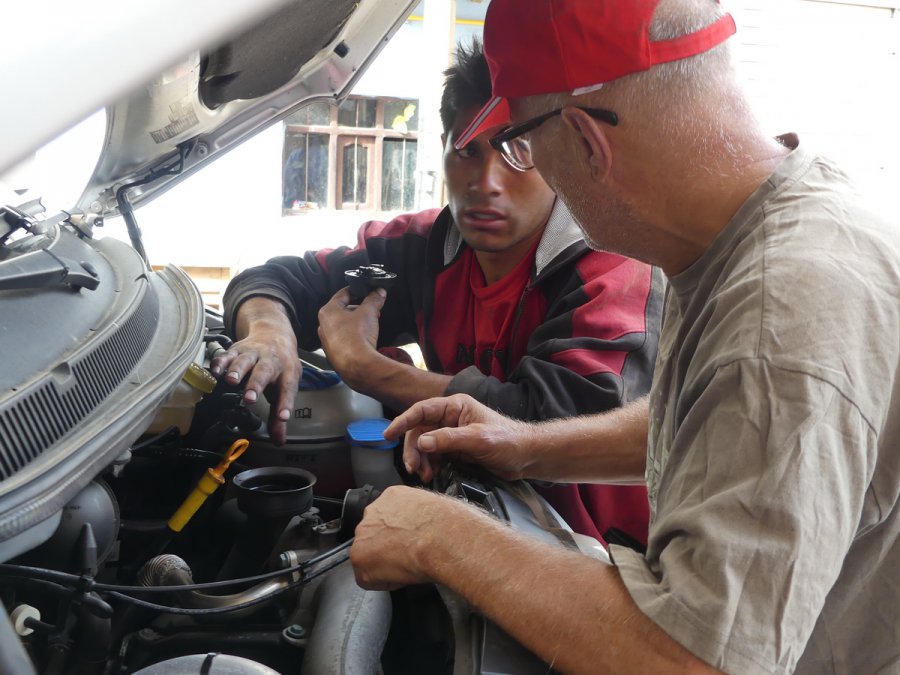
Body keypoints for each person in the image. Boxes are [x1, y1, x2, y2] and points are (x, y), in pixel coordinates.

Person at [348, 1, 900, 674]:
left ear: (586, 140)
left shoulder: (778, 317)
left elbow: (692, 662)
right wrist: (526, 446)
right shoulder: (749, 234)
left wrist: (439, 537)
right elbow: (715, 423)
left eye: (521, 146)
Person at [212, 41, 663, 546]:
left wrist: (369, 370)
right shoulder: (421, 248)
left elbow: (551, 424)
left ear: (556, 158)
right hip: (486, 523)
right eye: (467, 151)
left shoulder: (612, 264)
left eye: (518, 153)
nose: (486, 182)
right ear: (443, 148)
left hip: (604, 555)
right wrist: (269, 331)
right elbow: (280, 279)